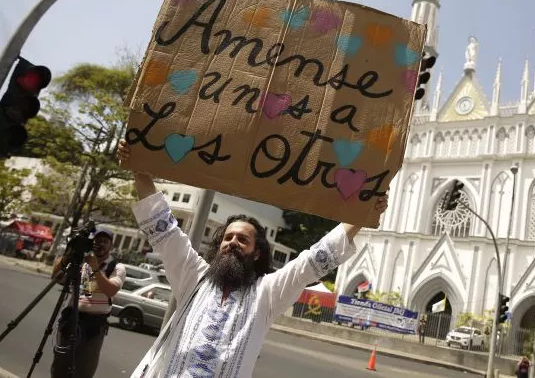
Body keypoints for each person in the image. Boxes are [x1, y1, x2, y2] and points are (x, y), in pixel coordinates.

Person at [116, 139, 388, 377]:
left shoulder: (266, 295)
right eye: (228, 238)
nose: (233, 242)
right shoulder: (193, 276)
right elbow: (164, 229)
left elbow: (312, 261)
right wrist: (139, 170)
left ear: (257, 253)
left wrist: (362, 214)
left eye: (242, 239)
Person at [50, 228, 127, 378]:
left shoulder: (117, 267)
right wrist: (69, 253)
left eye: (105, 241)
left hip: (94, 325)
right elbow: (57, 277)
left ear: (111, 246)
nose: (101, 244)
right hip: (71, 319)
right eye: (98, 240)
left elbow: (111, 290)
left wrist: (96, 269)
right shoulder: (82, 262)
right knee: (59, 366)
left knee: (84, 370)